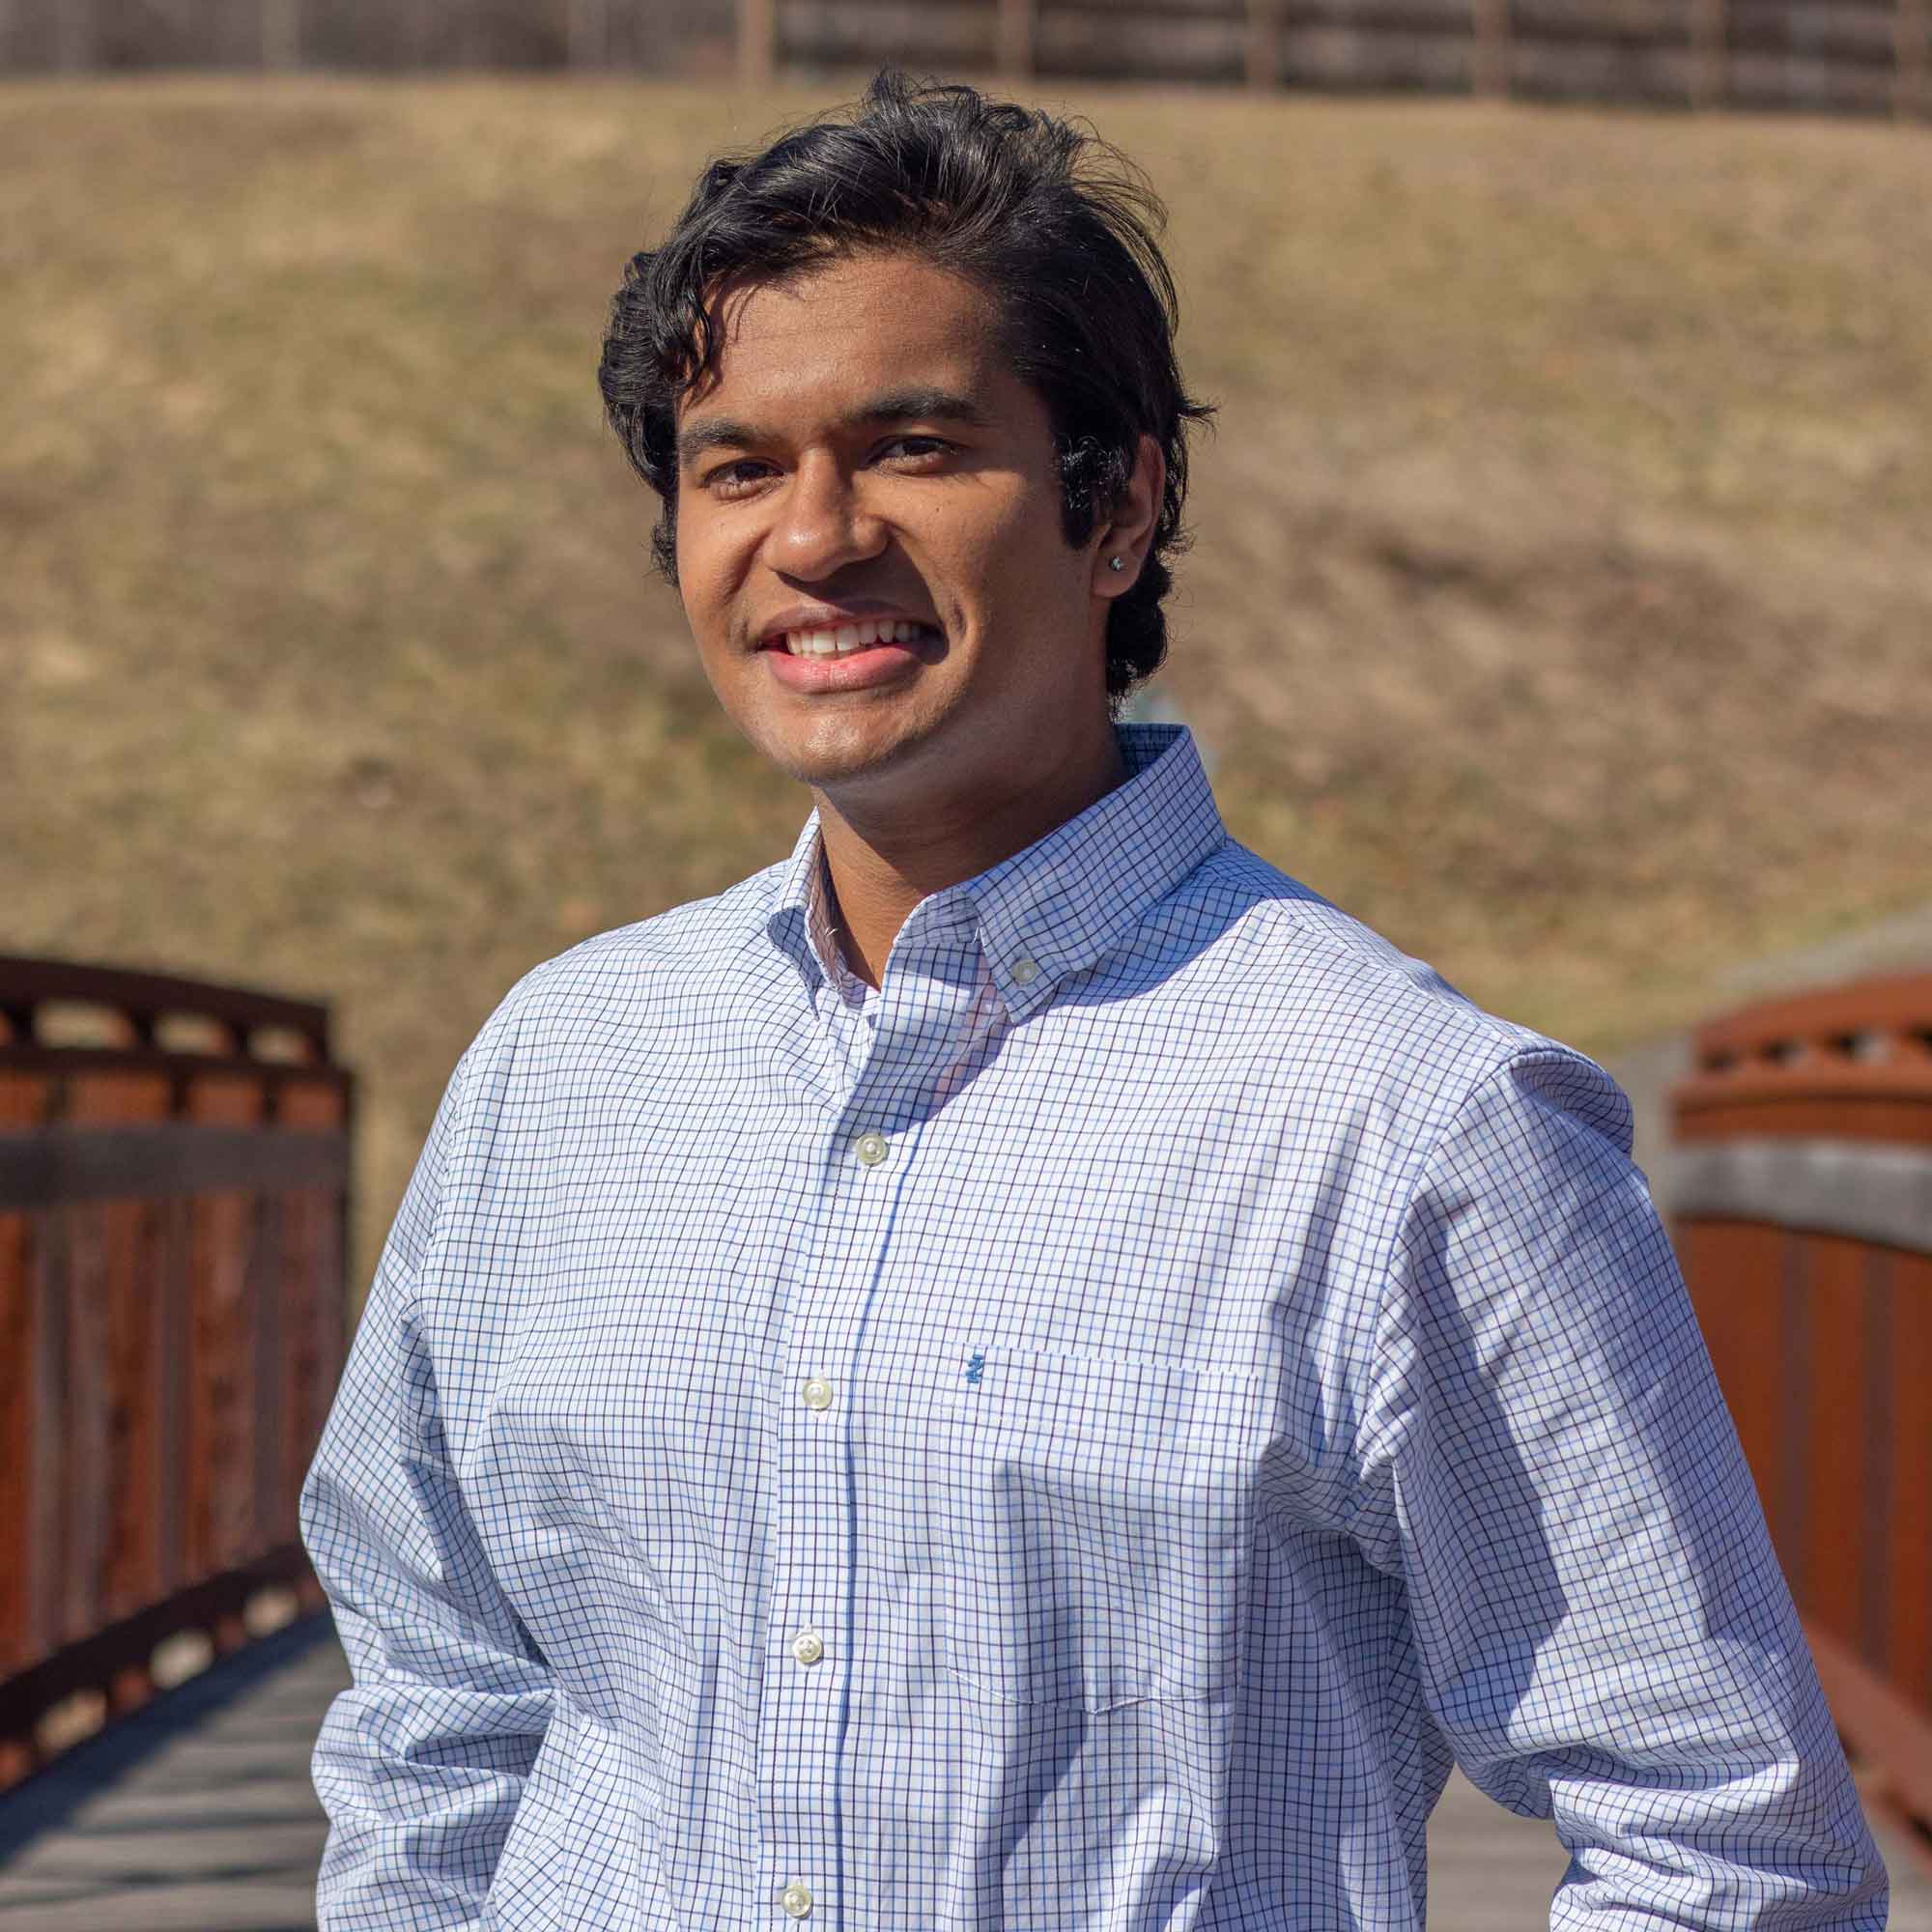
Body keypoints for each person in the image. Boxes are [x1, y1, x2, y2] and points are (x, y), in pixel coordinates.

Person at [299, 69, 1887, 1931]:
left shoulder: (1406, 1125)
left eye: (914, 445)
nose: (813, 540)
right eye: (738, 465)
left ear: (1115, 503)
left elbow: (1724, 1843)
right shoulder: (560, 1071)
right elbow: (437, 1708)